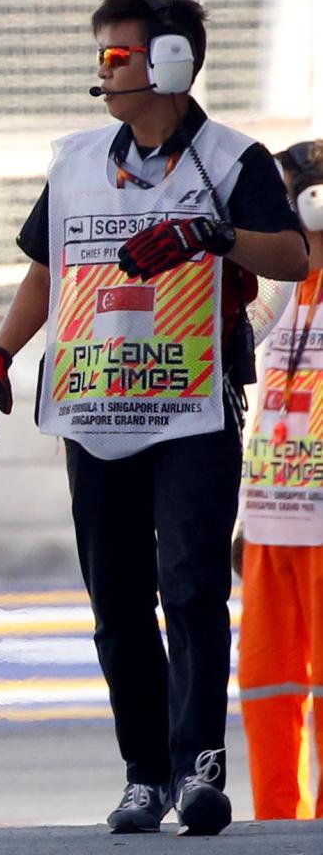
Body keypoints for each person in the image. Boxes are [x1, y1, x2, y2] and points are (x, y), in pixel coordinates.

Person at [0, 0, 307, 836]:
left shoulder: (233, 160)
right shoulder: (78, 159)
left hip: (191, 406)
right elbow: (46, 269)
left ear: (172, 64)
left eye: (117, 57)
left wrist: (211, 236)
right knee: (115, 598)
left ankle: (198, 768)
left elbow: (293, 257)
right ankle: (141, 774)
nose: (104, 71)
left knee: (190, 587)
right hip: (94, 407)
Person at [236, 138, 323, 821]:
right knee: (267, 688)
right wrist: (244, 517)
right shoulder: (277, 297)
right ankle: (277, 826)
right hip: (270, 523)